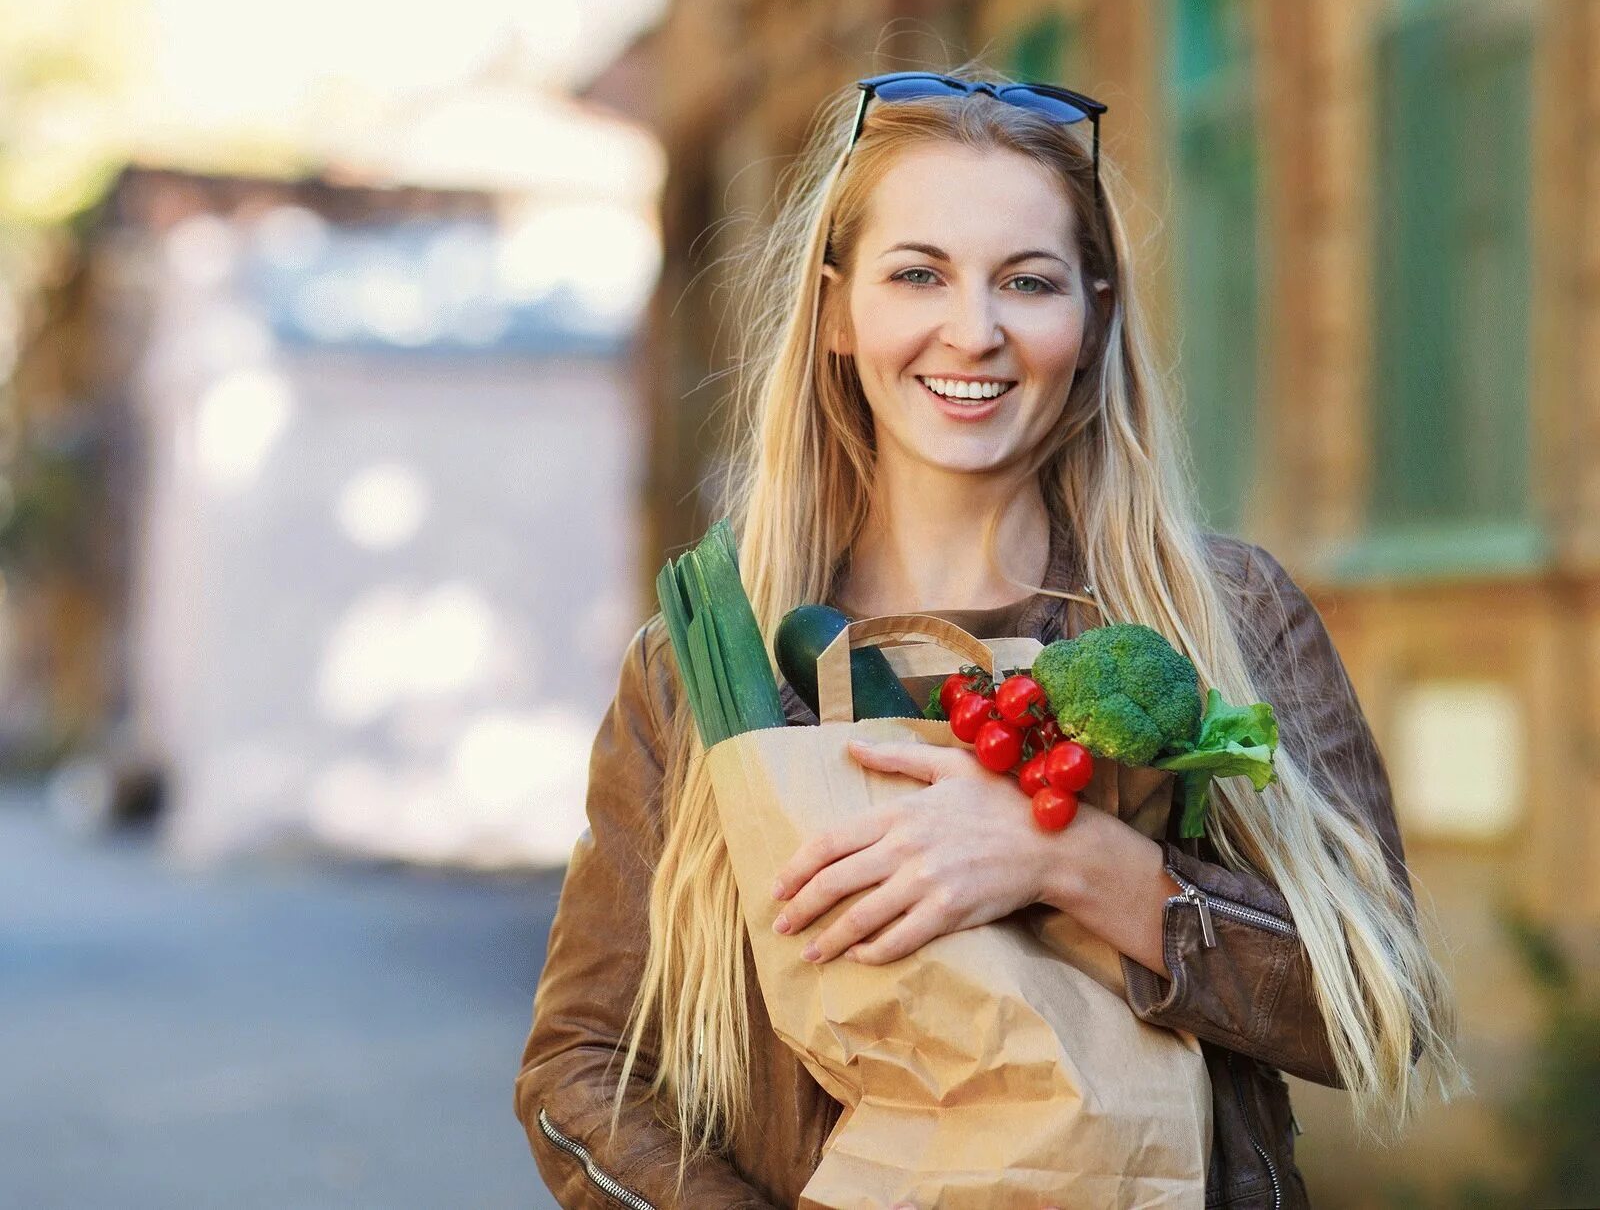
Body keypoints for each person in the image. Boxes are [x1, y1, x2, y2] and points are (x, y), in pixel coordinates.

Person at [515, 63, 1468, 1209]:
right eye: (918, 273)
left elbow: (1379, 1012)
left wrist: (1068, 858)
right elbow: (579, 1075)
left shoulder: (1226, 617)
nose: (973, 332)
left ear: (1092, 314)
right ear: (834, 311)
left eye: (1028, 281)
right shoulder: (698, 670)